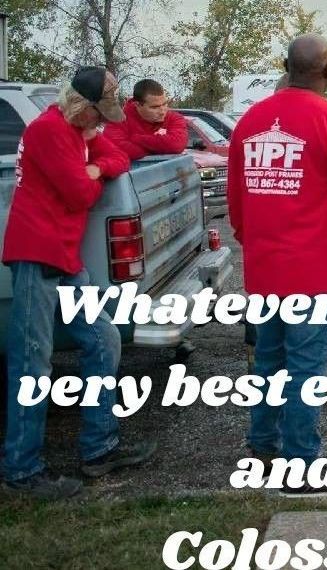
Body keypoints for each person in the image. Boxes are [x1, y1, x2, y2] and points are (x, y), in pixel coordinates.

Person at [227, 34, 327, 496]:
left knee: (269, 360)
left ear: (286, 66)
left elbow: (236, 200)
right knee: (306, 368)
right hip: (312, 271)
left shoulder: (249, 121)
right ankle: (302, 463)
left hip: (265, 267)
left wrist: (254, 241)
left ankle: (264, 446)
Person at [2, 67, 156, 500]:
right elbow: (79, 195)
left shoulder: (82, 131)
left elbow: (120, 157)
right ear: (80, 106)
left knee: (104, 339)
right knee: (32, 364)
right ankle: (21, 470)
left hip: (66, 256)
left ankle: (99, 448)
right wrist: (90, 170)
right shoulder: (49, 130)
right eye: (98, 114)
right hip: (36, 254)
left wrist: (95, 163)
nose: (102, 122)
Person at [103, 79, 187, 160]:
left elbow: (176, 145)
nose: (162, 111)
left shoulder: (175, 118)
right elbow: (114, 148)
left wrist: (136, 138)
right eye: (155, 107)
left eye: (164, 104)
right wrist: (159, 147)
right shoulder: (118, 120)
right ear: (137, 105)